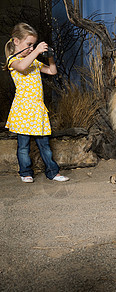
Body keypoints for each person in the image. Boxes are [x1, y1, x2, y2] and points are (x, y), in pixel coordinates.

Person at [3, 22, 69, 183]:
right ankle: (25, 172)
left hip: (37, 110)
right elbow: (22, 66)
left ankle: (52, 172)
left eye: (33, 45)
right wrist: (37, 50)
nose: (32, 48)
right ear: (16, 41)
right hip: (22, 111)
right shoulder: (13, 61)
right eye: (29, 44)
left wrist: (49, 56)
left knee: (44, 145)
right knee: (23, 146)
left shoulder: (34, 61)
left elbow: (52, 71)